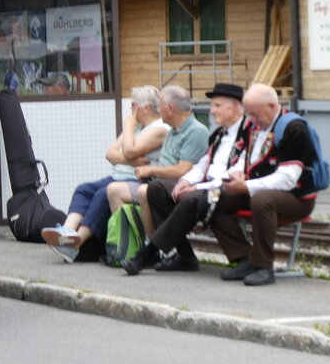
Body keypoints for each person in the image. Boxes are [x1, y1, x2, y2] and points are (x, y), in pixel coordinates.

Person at [122, 82, 250, 275]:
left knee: (193, 199)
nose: (211, 111)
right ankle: (185, 255)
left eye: (216, 105)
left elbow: (234, 173)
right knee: (156, 189)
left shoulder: (248, 134)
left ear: (232, 106)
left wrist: (198, 187)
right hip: (209, 185)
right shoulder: (219, 134)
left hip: (231, 188)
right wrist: (186, 181)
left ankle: (147, 253)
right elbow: (203, 164)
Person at [207, 83, 319, 286]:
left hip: (297, 198)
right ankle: (245, 258)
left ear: (271, 106)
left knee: (262, 199)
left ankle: (263, 267)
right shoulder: (256, 125)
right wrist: (238, 174)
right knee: (217, 199)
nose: (251, 120)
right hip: (263, 189)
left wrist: (247, 187)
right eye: (248, 114)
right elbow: (248, 159)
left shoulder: (294, 128)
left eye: (255, 114)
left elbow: (287, 178)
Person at [40, 86, 168, 263]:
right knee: (84, 189)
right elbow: (110, 154)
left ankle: (76, 243)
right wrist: (131, 160)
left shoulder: (158, 128)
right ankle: (66, 232)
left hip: (137, 179)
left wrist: (128, 127)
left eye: (134, 105)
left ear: (146, 108)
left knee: (102, 194)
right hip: (118, 176)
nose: (131, 109)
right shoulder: (137, 128)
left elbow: (128, 150)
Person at [105, 84, 209, 237]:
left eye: (160, 106)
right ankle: (127, 247)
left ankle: (150, 244)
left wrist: (151, 170)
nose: (158, 110)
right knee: (113, 189)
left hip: (180, 184)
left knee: (144, 190)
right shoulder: (173, 129)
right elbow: (111, 154)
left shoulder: (196, 131)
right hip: (159, 181)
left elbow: (182, 170)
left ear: (170, 108)